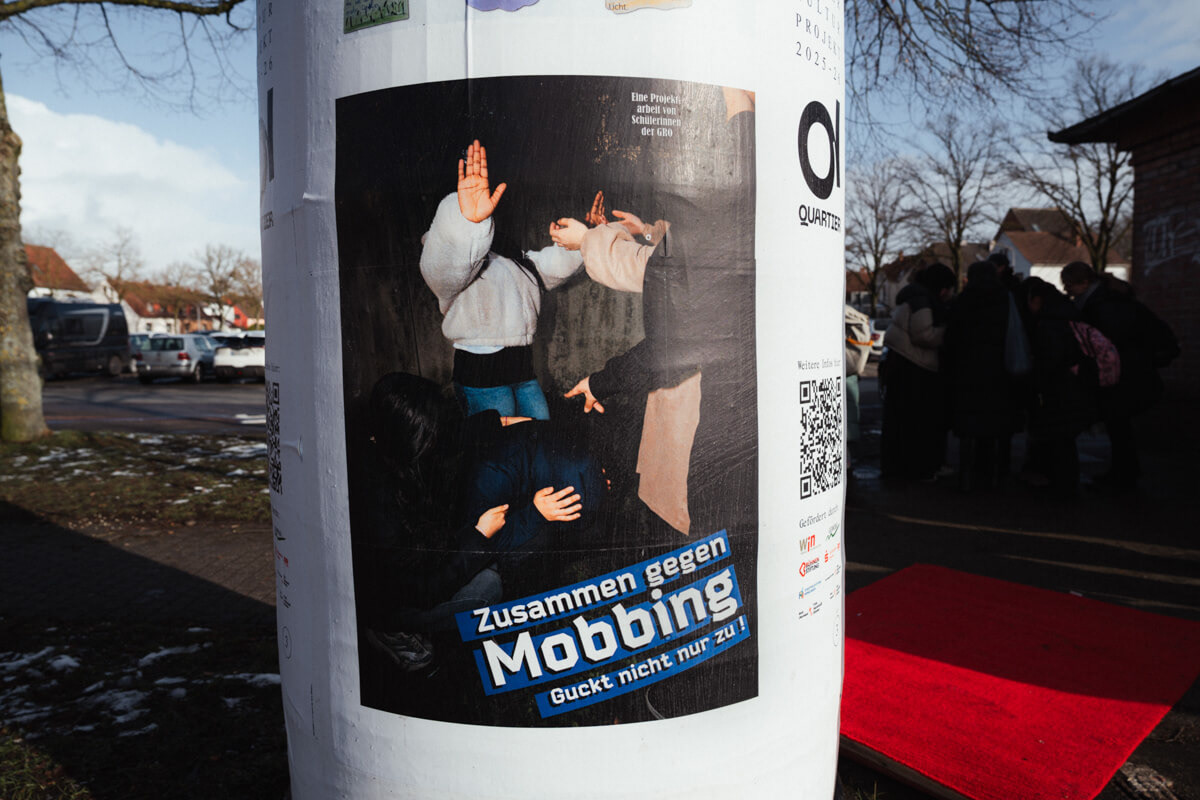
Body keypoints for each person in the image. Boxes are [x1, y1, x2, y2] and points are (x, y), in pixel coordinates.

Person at [549, 87, 757, 540]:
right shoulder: (748, 200)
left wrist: (589, 240)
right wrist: (648, 231)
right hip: (729, 396)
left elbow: (657, 272)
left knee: (689, 520)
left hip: (702, 397)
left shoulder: (725, 190)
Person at [357, 372, 605, 669]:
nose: (437, 437)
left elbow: (459, 432)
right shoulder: (377, 505)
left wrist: (553, 446)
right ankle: (390, 631)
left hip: (425, 551)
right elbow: (424, 588)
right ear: (409, 438)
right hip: (397, 596)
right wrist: (480, 535)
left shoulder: (398, 446)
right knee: (487, 586)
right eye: (429, 434)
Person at [419, 139, 584, 419]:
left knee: (538, 437)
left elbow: (548, 266)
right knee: (498, 451)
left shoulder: (512, 258)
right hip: (481, 376)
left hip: (522, 370)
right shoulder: (456, 256)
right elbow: (442, 270)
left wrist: (587, 240)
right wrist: (466, 223)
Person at [1060, 261, 1178, 489]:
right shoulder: (1111, 300)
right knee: (1119, 424)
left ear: (1085, 283)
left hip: (1123, 373)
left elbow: (1109, 343)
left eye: (1070, 285)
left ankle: (1123, 474)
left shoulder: (1101, 306)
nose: (1068, 291)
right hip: (1132, 370)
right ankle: (1124, 472)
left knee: (1118, 422)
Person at [942, 261, 1023, 490]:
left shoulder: (964, 301)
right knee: (998, 428)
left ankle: (967, 476)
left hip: (968, 373)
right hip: (1001, 373)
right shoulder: (1005, 298)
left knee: (969, 429)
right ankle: (999, 475)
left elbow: (952, 340)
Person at [1018, 277, 1096, 494]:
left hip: (1059, 388)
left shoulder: (1049, 324)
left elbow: (1050, 361)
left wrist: (1036, 381)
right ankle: (1065, 483)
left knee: (1058, 438)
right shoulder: (1069, 315)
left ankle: (1062, 486)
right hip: (1075, 385)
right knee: (1065, 439)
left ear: (1037, 300)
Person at [880, 262, 956, 481]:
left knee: (898, 423)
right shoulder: (923, 301)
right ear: (942, 287)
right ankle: (916, 470)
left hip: (901, 365)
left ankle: (897, 469)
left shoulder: (913, 295)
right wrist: (947, 332)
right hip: (914, 367)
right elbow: (923, 335)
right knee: (915, 424)